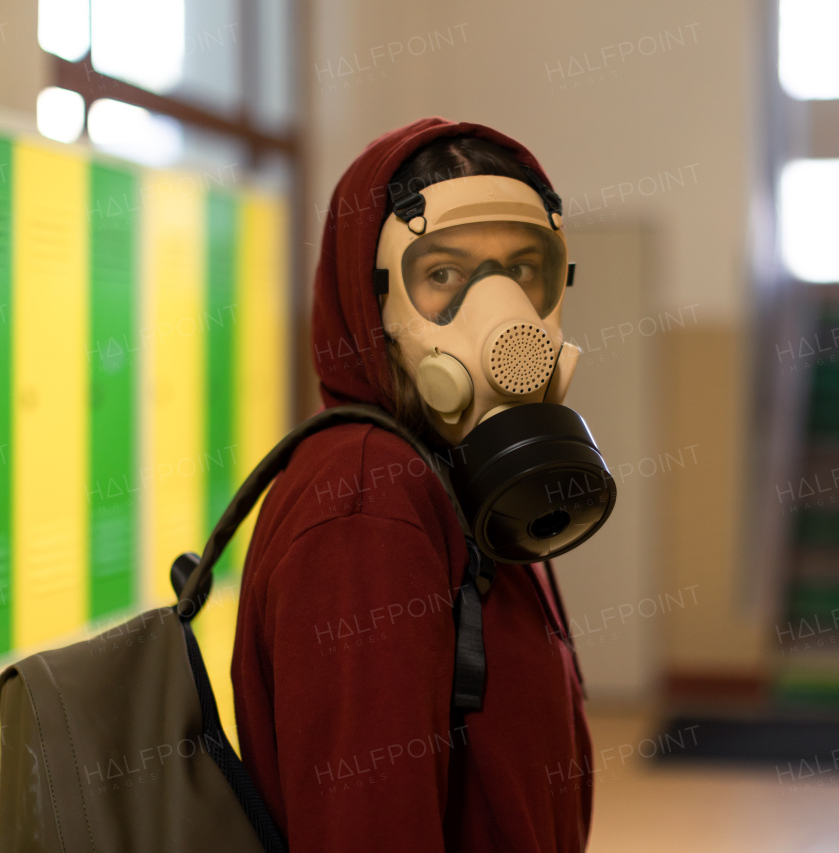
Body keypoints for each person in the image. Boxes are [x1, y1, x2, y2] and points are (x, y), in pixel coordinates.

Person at [231, 118, 595, 852]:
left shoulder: (456, 471)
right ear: (371, 309)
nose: (506, 322)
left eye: (525, 270)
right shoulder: (366, 501)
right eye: (442, 275)